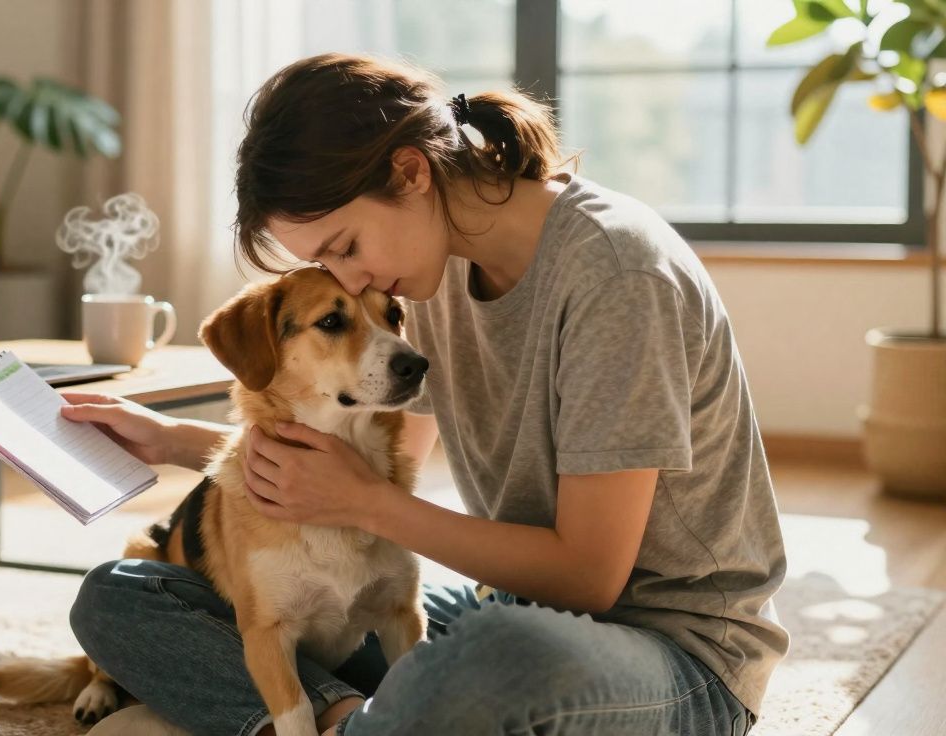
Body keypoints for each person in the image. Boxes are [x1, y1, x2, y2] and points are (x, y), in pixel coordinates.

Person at [63, 52, 787, 736]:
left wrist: (367, 503)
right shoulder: (427, 273)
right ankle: (343, 717)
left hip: (677, 658)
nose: (346, 281)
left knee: (490, 655)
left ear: (410, 172)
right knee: (123, 593)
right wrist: (175, 442)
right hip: (515, 611)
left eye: (343, 247)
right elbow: (362, 462)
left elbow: (588, 577)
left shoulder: (617, 275)